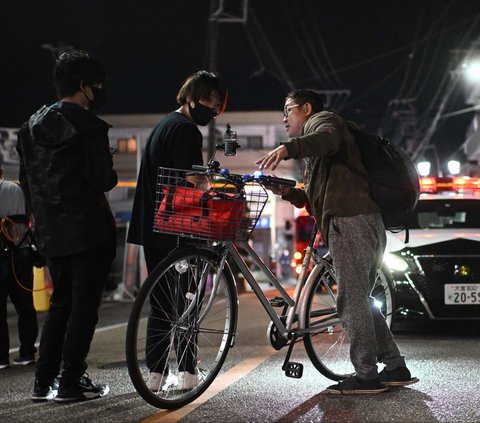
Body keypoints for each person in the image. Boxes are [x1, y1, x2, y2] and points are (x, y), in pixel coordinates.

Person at [255, 89, 418, 395]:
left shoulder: (325, 122)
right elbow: (316, 198)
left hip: (351, 222)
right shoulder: (322, 152)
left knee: (351, 300)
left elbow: (326, 138)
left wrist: (288, 149)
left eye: (288, 110)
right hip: (358, 221)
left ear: (306, 108)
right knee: (360, 300)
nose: (285, 119)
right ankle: (395, 366)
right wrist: (288, 193)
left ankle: (366, 375)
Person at [16, 49, 117, 402]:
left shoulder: (30, 127)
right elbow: (103, 179)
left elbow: (25, 182)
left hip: (52, 232)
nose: (100, 90)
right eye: (97, 84)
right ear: (84, 86)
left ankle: (43, 382)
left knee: (61, 304)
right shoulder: (88, 126)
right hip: (90, 229)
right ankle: (72, 381)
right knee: (84, 308)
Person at [127, 70, 227, 391]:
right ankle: (187, 373)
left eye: (216, 105)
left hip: (151, 225)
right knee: (186, 302)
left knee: (161, 303)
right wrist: (212, 185)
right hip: (178, 227)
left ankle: (155, 376)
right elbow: (192, 179)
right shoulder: (186, 131)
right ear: (192, 95)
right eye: (210, 102)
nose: (212, 110)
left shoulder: (163, 126)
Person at [0, 166, 38, 370]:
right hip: (21, 254)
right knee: (25, 306)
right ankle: (27, 352)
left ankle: (1, 357)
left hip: (1, 256)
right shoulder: (16, 189)